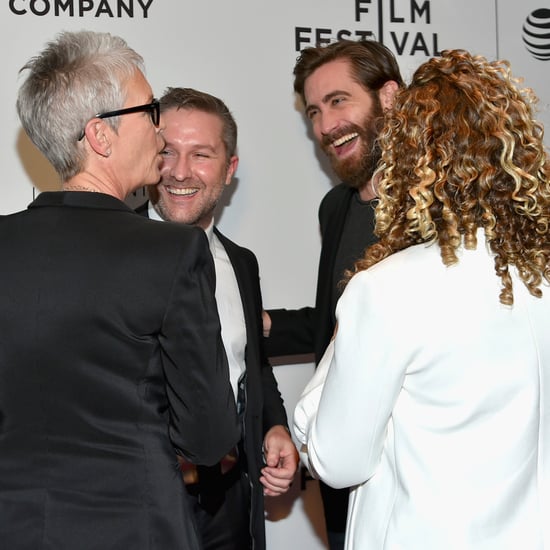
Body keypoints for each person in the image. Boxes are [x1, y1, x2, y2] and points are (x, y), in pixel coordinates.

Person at [294, 49, 550, 549]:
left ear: (413, 155)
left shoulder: (388, 287)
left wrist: (310, 406)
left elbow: (336, 460)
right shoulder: (538, 272)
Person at [0, 31, 240, 550]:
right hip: (137, 528)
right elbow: (209, 438)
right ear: (101, 136)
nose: (160, 131)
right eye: (149, 112)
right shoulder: (172, 252)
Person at [138, 87, 299, 550]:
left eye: (202, 155)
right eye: (167, 152)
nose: (181, 172)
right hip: (142, 505)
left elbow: (252, 362)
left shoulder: (241, 263)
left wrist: (274, 423)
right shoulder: (110, 252)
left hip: (230, 500)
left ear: (229, 169)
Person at [262, 38, 404, 549]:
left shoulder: (440, 206)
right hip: (344, 465)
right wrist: (268, 325)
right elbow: (341, 321)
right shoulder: (336, 208)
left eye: (340, 101)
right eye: (315, 112)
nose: (325, 127)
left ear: (388, 98)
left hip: (418, 471)